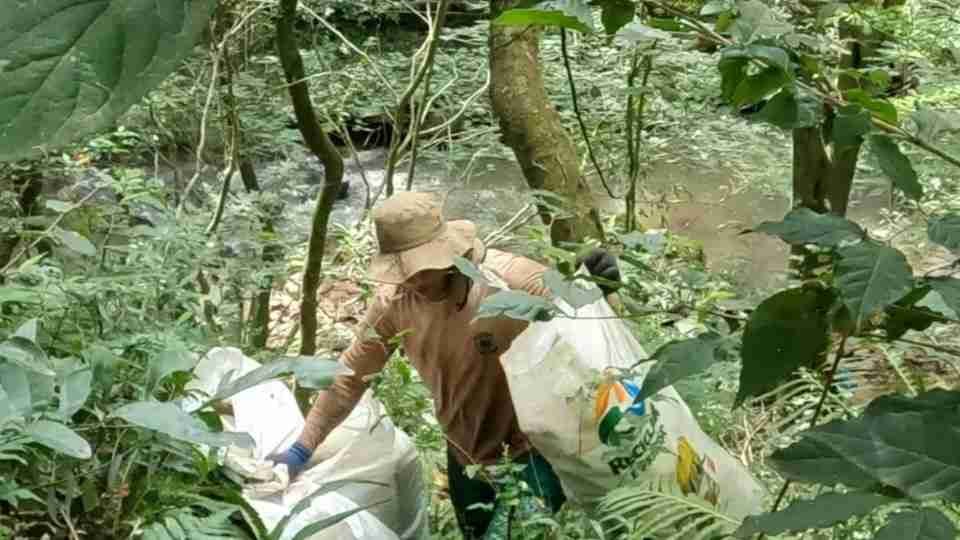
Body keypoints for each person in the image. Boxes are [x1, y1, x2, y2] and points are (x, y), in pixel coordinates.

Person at [270, 192, 620, 538]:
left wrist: (600, 287)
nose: (414, 280)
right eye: (403, 272)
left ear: (448, 250)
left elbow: (583, 317)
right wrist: (301, 448)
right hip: (464, 456)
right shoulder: (395, 303)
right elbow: (349, 377)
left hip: (531, 454)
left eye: (421, 269)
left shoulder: (506, 280)